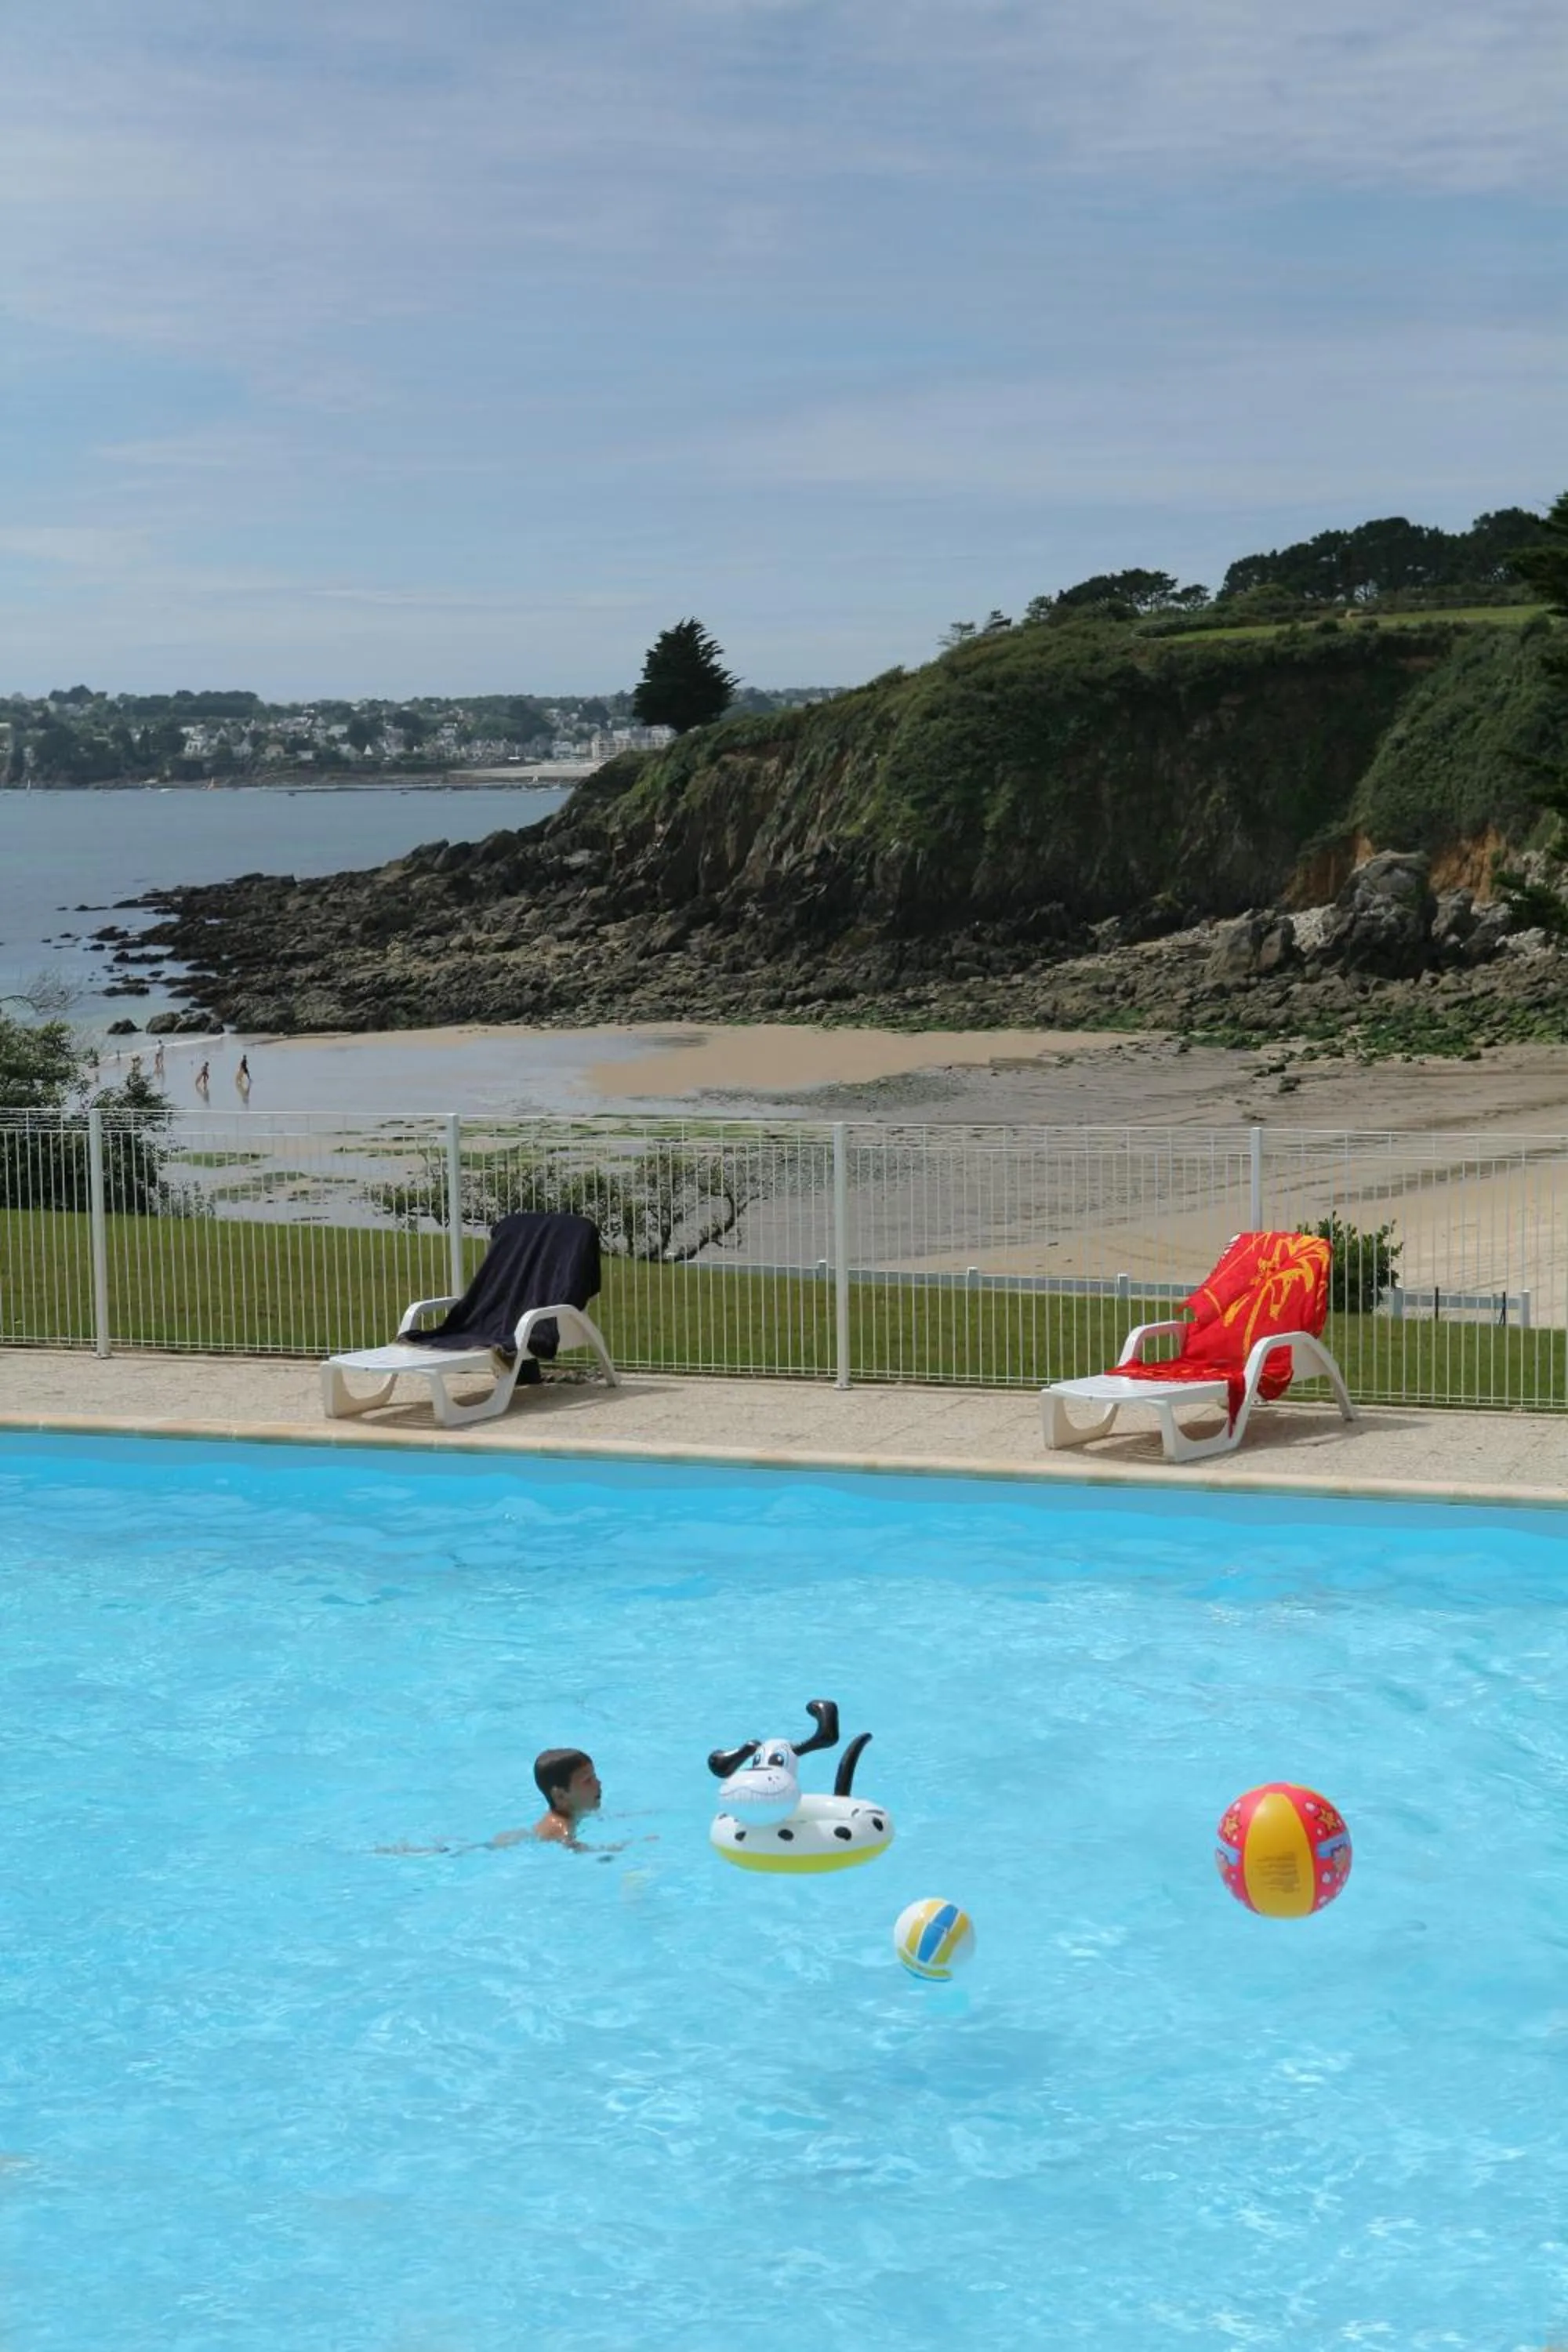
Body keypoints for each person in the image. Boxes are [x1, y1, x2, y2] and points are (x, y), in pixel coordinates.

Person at [491, 1748, 603, 1849]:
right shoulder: (563, 1827)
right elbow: (571, 1847)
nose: (598, 1783)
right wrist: (607, 1851)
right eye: (588, 1781)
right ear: (560, 1796)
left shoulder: (572, 1811)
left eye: (594, 1777)